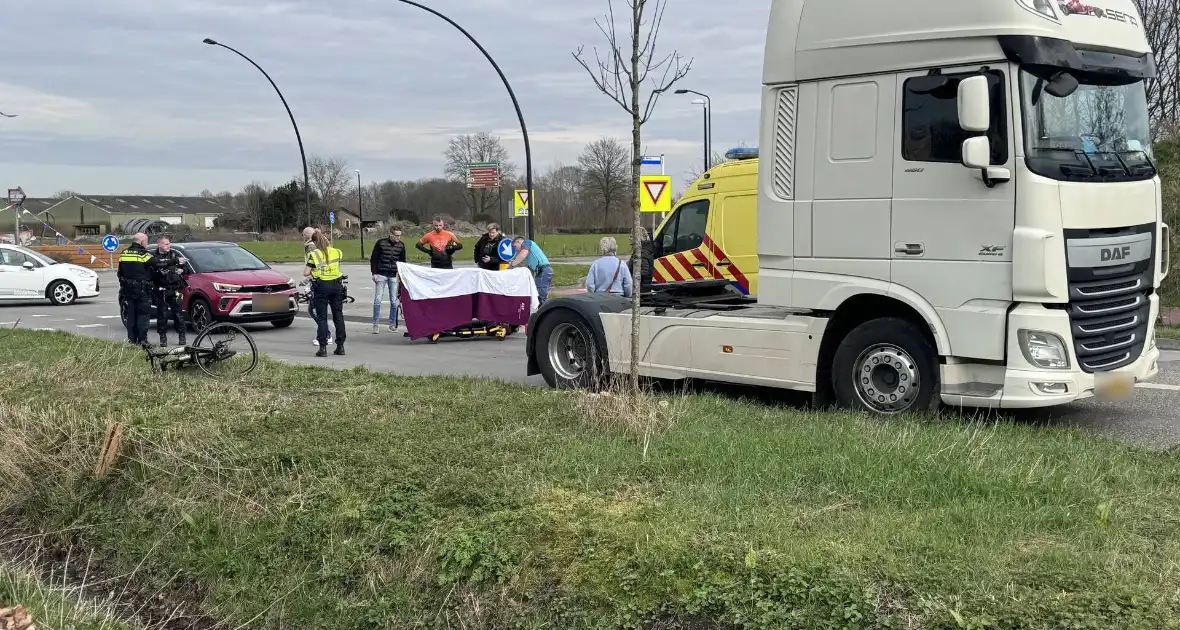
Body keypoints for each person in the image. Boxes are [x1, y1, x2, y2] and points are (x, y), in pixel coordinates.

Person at [304, 231, 347, 357]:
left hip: (321, 286)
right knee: (338, 316)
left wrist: (314, 273)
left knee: (322, 317)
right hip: (336, 286)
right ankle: (340, 346)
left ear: (315, 242)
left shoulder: (314, 254)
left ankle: (323, 348)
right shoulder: (337, 252)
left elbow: (306, 272)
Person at [117, 232, 155, 347]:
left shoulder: (124, 253)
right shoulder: (144, 254)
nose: (147, 243)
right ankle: (142, 341)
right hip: (142, 290)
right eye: (146, 241)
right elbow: (158, 264)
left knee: (131, 315)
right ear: (142, 241)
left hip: (128, 290)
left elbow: (120, 273)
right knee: (143, 316)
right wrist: (175, 261)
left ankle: (132, 340)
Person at [150, 237, 187, 346]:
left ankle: (182, 336)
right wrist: (159, 273)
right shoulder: (153, 256)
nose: (168, 246)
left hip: (175, 289)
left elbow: (186, 268)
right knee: (162, 314)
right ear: (159, 244)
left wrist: (182, 270)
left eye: (169, 244)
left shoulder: (175, 254)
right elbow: (150, 272)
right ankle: (163, 337)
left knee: (178, 315)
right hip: (161, 290)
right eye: (166, 244)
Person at [369, 226, 406, 334]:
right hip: (381, 274)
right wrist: (374, 273)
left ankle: (392, 324)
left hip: (394, 275)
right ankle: (375, 324)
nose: (398, 238)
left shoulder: (401, 245)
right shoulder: (381, 243)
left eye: (399, 235)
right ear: (391, 234)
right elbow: (374, 259)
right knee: (377, 300)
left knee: (394, 301)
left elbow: (402, 261)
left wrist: (401, 274)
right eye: (396, 235)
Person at [509, 236, 553, 304]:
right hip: (543, 271)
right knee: (540, 294)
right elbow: (529, 270)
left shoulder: (527, 242)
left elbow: (522, 255)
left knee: (541, 296)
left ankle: (545, 312)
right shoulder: (529, 256)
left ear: (518, 242)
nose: (515, 249)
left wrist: (511, 265)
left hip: (543, 270)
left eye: (515, 246)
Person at [629, 227, 655, 291]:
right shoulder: (645, 250)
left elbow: (643, 274)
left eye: (631, 236)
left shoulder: (641, 253)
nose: (629, 238)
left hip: (640, 291)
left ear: (638, 238)